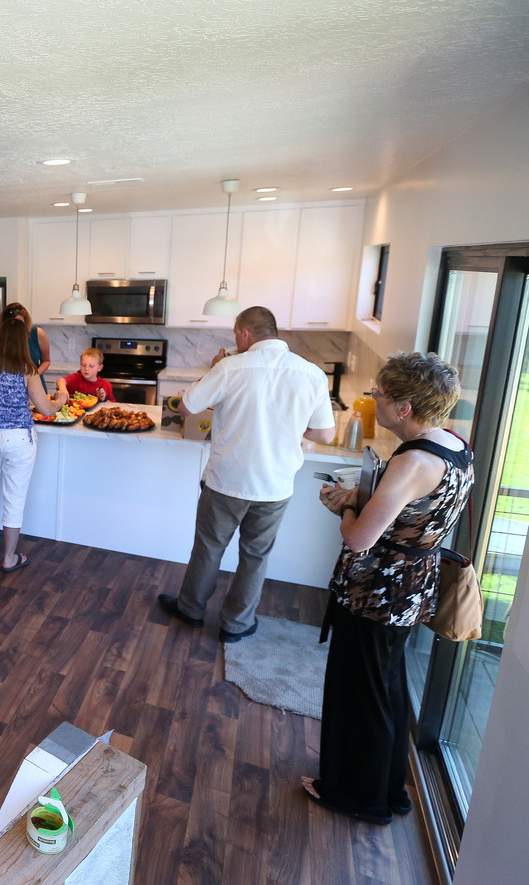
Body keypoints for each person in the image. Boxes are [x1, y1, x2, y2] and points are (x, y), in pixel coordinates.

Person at [304, 353, 473, 826]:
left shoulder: (413, 460)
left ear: (404, 407)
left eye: (379, 393)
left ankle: (358, 798)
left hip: (378, 593)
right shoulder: (452, 444)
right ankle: (387, 789)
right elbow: (415, 515)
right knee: (387, 690)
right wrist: (359, 498)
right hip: (411, 586)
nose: (372, 398)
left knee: (362, 694)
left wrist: (344, 510)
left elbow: (359, 539)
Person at [157, 306, 336, 641]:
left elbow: (187, 406)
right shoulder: (310, 373)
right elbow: (324, 434)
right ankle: (236, 625)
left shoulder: (229, 367)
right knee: (255, 557)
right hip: (275, 486)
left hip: (227, 481)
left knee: (209, 547)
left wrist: (212, 371)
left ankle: (191, 609)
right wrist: (294, 429)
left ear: (244, 333)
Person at [0, 309, 66, 571]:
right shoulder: (27, 369)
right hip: (18, 438)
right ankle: (9, 558)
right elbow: (45, 408)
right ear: (22, 340)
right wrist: (62, 398)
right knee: (14, 498)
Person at [7, 302, 51, 391]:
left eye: (20, 324)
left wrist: (34, 375)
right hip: (12, 386)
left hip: (36, 384)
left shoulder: (37, 333)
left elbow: (46, 360)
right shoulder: (3, 338)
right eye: (14, 324)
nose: (18, 328)